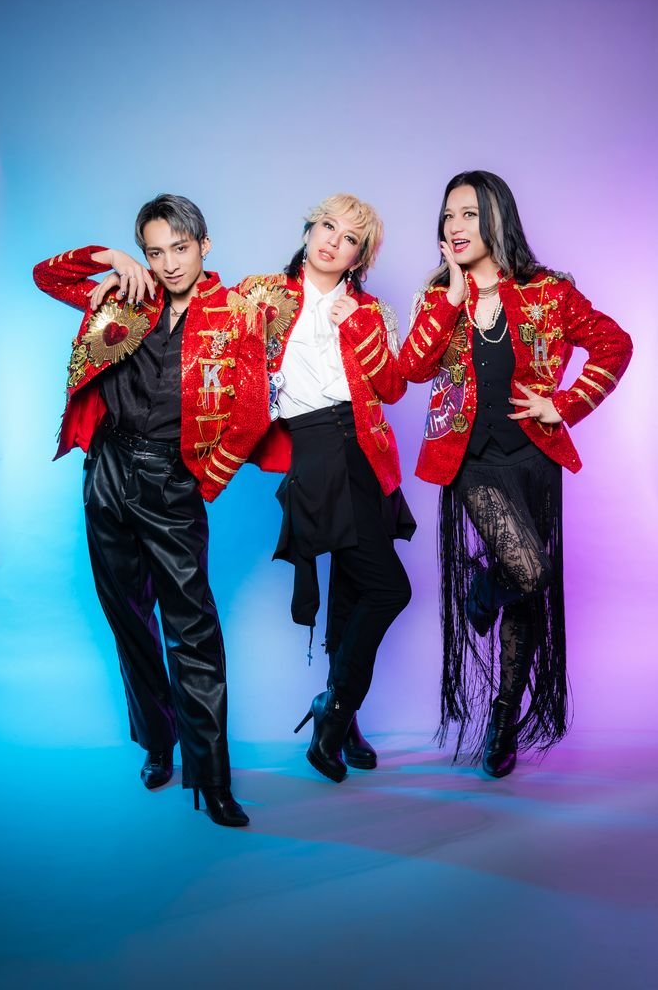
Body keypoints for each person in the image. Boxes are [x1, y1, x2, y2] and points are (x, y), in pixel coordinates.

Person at [33, 194, 269, 825]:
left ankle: (212, 778)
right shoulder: (124, 295)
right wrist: (110, 258)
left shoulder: (236, 313)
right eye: (155, 251)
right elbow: (46, 275)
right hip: (107, 470)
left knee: (192, 629)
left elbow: (252, 414)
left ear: (204, 246)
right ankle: (159, 740)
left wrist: (202, 481)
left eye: (180, 249)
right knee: (129, 619)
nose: (168, 264)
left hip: (171, 481)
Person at [398, 170, 632, 777]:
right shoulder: (437, 296)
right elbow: (411, 371)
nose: (455, 226)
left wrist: (566, 403)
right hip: (471, 461)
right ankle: (483, 590)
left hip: (534, 460)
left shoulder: (547, 291)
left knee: (527, 594)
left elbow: (615, 344)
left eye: (469, 214)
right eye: (448, 215)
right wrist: (450, 298)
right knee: (528, 569)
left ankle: (503, 721)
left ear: (498, 218)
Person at [240, 193, 415, 782]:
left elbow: (393, 388)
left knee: (356, 590)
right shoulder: (262, 296)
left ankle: (342, 714)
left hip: (366, 452)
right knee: (389, 589)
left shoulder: (370, 310)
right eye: (327, 226)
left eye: (349, 239)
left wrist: (358, 326)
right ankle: (335, 710)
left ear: (358, 257)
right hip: (313, 450)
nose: (332, 242)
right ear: (308, 228)